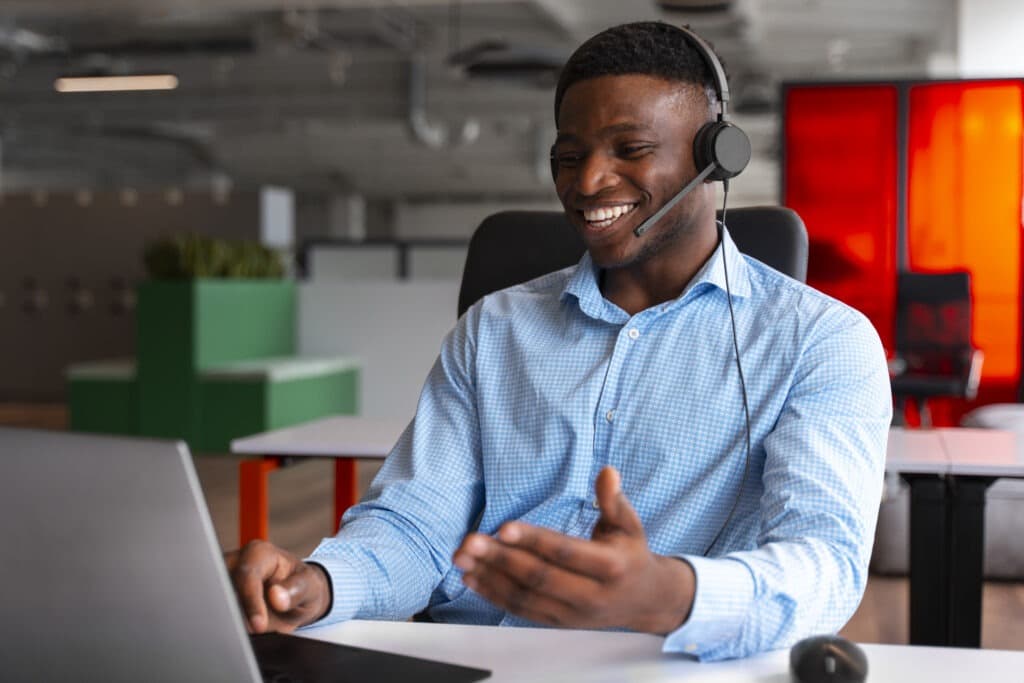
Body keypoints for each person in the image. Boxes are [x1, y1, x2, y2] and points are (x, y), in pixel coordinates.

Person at [226, 21, 891, 661]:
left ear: (715, 156)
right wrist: (317, 583)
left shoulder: (820, 342)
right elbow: (414, 523)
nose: (588, 181)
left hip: (664, 663)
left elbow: (822, 562)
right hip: (474, 660)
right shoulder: (495, 328)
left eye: (629, 149)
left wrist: (668, 592)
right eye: (568, 157)